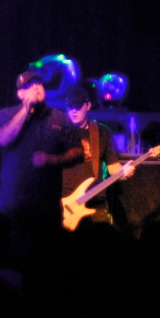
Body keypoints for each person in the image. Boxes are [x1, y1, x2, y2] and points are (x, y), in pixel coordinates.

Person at [0, 70, 83, 247]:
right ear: (20, 94)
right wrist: (25, 110)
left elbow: (78, 152)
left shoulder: (59, 117)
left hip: (47, 207)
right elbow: (3, 139)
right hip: (13, 205)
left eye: (39, 83)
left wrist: (52, 159)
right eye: (29, 86)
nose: (36, 87)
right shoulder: (7, 114)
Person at [61, 85, 133, 227]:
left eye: (78, 106)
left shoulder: (102, 132)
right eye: (70, 107)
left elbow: (113, 166)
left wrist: (124, 173)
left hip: (95, 203)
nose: (73, 111)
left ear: (88, 106)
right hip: (65, 204)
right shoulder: (59, 132)